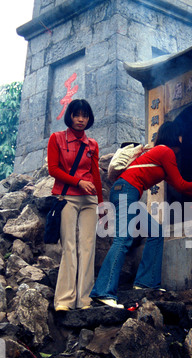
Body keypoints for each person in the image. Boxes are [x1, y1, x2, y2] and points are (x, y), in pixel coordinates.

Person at [90, 120, 192, 308]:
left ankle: (146, 283)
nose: (183, 139)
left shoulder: (160, 155)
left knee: (155, 232)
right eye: (181, 135)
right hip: (125, 192)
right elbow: (182, 183)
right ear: (176, 136)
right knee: (123, 239)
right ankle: (103, 292)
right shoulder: (165, 152)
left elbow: (179, 185)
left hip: (126, 193)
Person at [47, 99, 103, 311]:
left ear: (89, 119)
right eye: (77, 115)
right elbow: (53, 169)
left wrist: (101, 204)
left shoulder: (92, 144)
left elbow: (96, 174)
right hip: (66, 197)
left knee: (88, 247)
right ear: (70, 116)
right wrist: (78, 181)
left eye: (85, 116)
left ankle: (85, 299)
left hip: (89, 200)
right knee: (69, 247)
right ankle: (64, 300)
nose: (81, 119)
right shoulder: (57, 139)